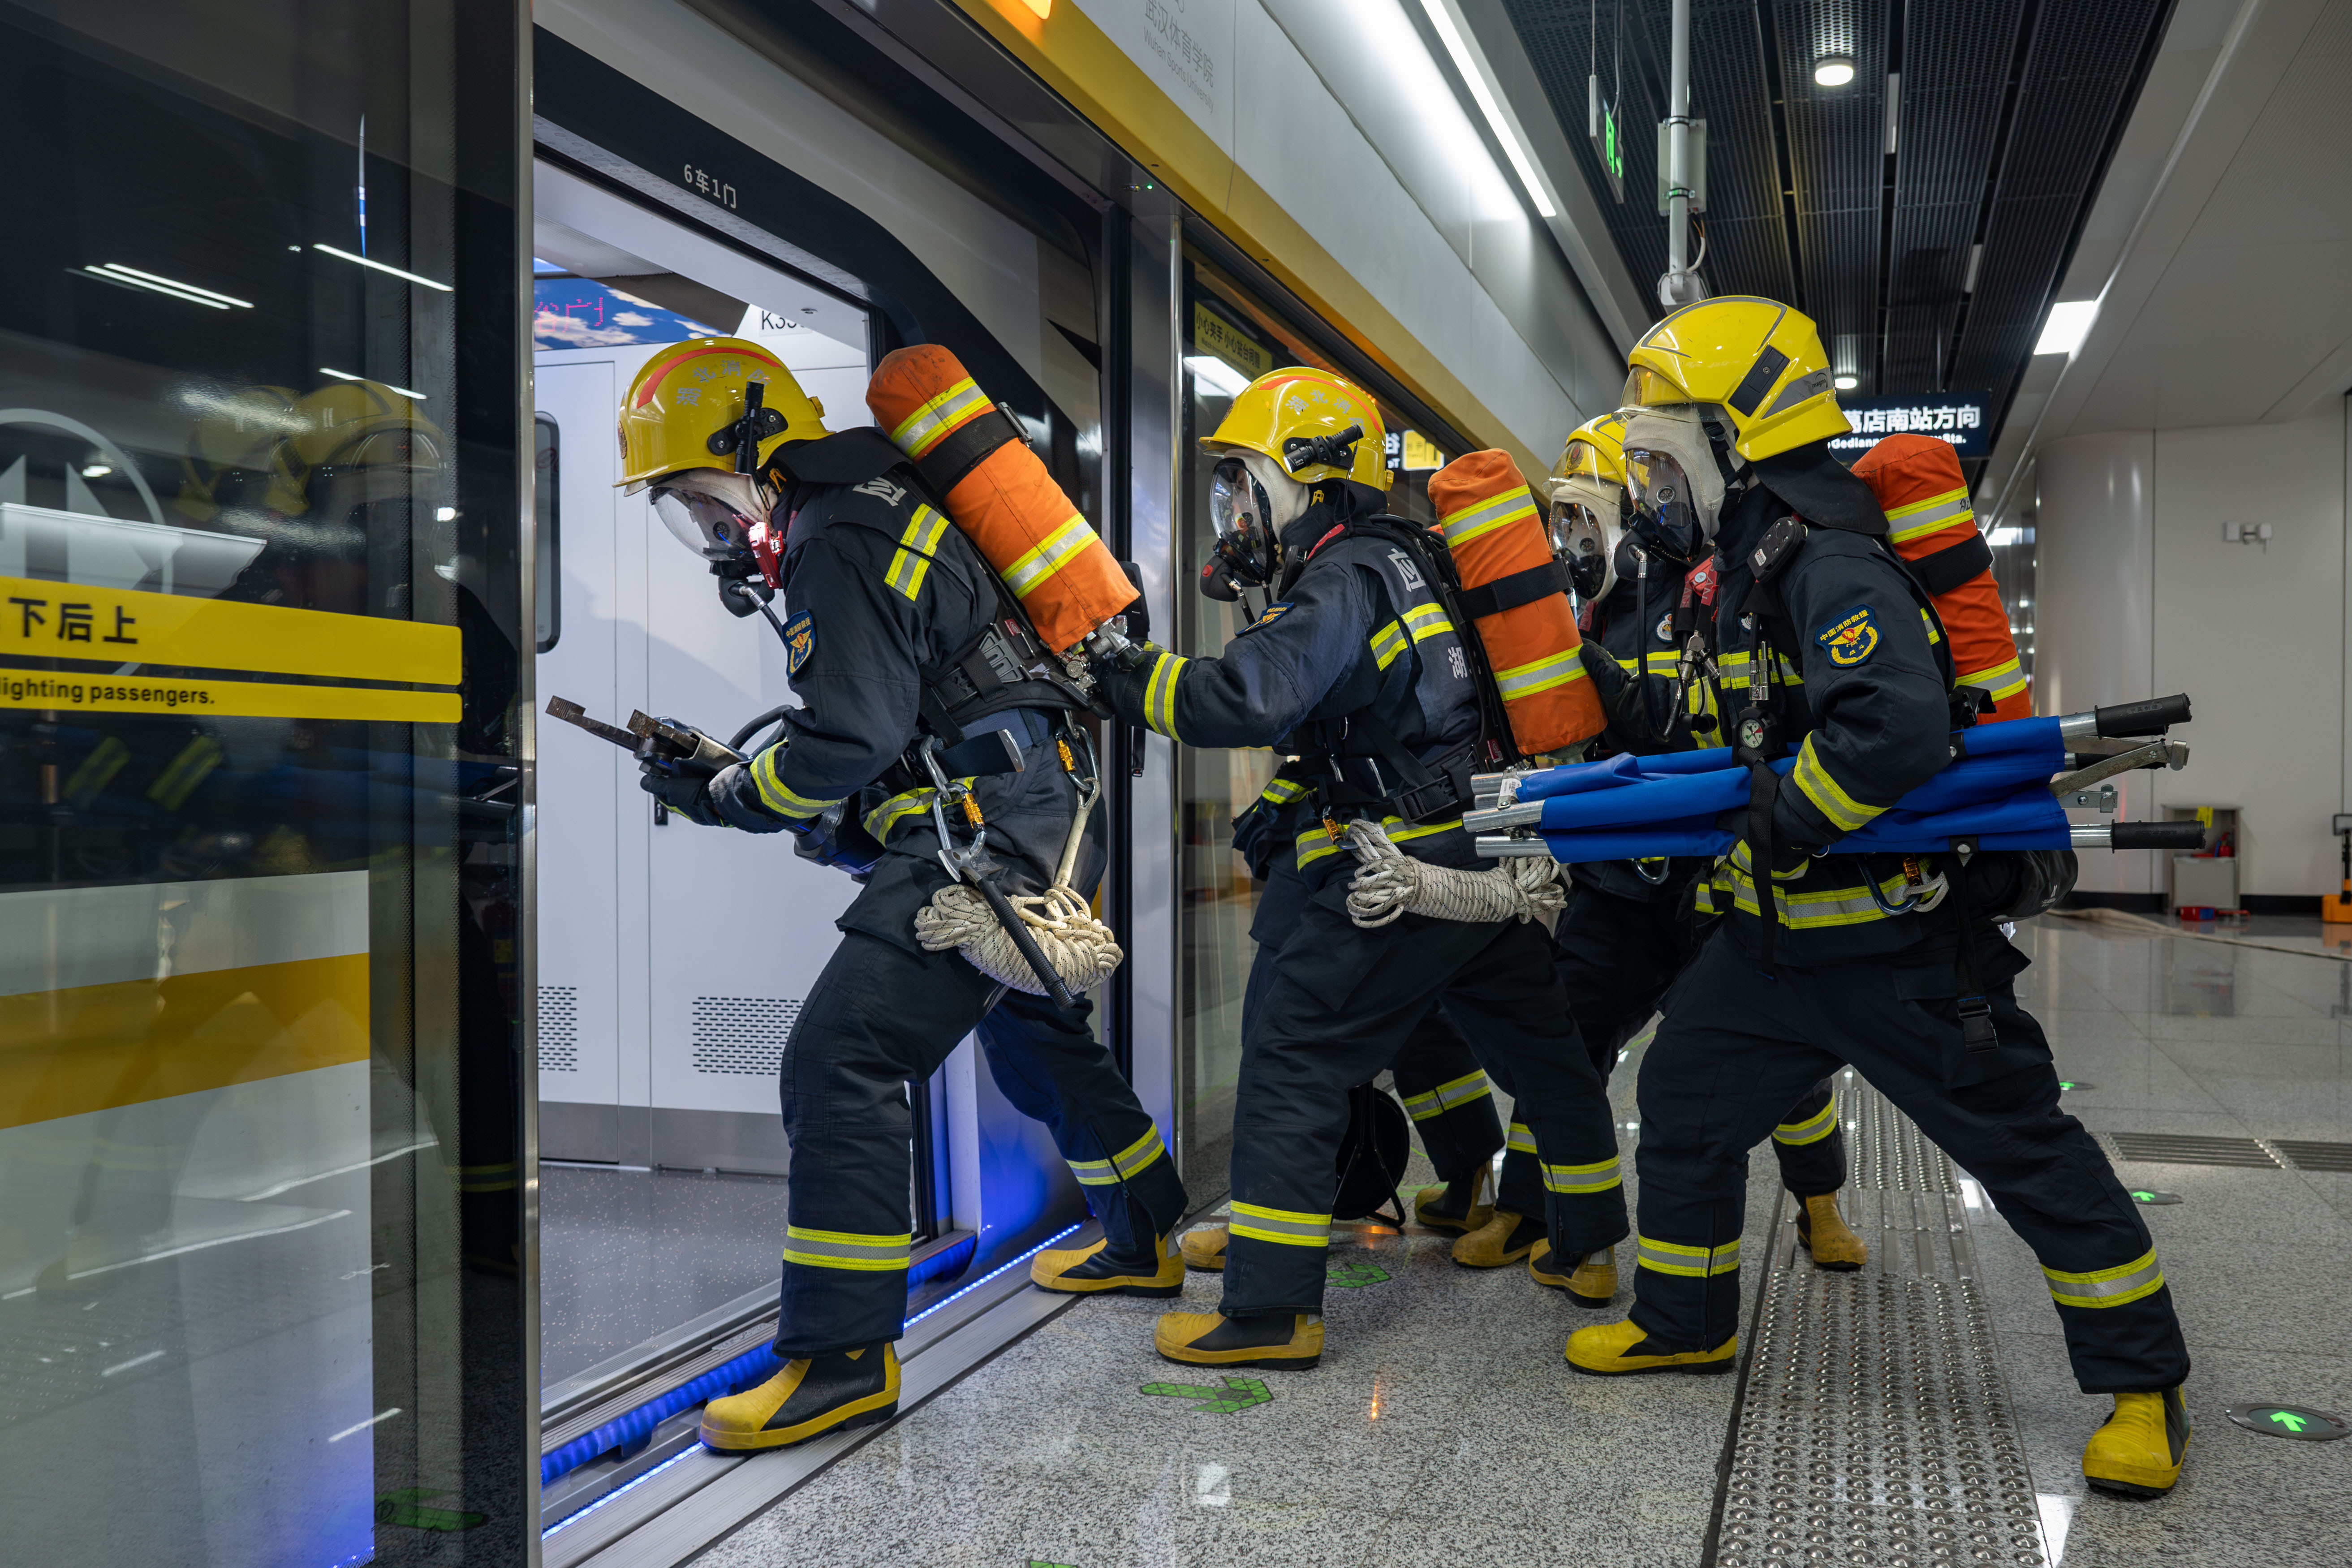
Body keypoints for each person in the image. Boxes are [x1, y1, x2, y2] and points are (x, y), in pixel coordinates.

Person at [1562, 298, 2193, 1502]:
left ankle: (2143, 1384)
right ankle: (1685, 1318)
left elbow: (1891, 727)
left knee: (2025, 1153)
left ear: (1734, 431)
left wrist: (1778, 815)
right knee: (1685, 1098)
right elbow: (1729, 730)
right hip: (1770, 948)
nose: (1646, 485)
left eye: (1657, 453)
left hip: (1896, 947)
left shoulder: (1826, 554)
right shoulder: (1741, 567)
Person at [616, 338, 1189, 1452]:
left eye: (700, 503)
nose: (712, 537)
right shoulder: (873, 505)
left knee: (842, 1057)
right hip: (1030, 806)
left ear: (749, 454)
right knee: (1035, 1044)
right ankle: (1146, 1230)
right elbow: (898, 734)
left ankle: (840, 1360)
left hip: (999, 840)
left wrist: (734, 792)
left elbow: (850, 738)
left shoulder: (833, 536)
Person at [1090, 366, 1624, 1370]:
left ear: (1309, 480)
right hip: (1486, 838)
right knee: (1542, 1044)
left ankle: (1272, 1307)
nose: (1233, 508)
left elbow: (1242, 698)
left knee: (1296, 1051)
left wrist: (1118, 675)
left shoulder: (1342, 578)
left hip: (1409, 861)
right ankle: (1587, 1241)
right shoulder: (1417, 557)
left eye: (1243, 481)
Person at [1495, 413, 1864, 1307]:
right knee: (1567, 1043)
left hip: (1712, 875)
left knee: (1775, 1060)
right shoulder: (1581, 609)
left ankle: (1819, 1200)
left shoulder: (1715, 589)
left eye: (1591, 519)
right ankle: (1552, 1221)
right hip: (1619, 881)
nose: (1575, 542)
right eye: (1566, 524)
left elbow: (1685, 728)